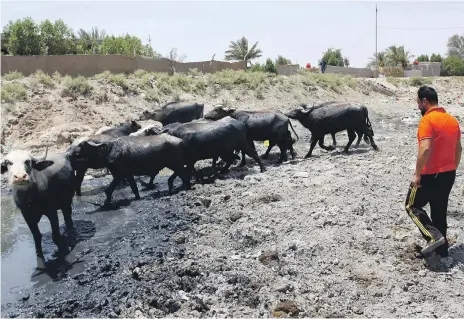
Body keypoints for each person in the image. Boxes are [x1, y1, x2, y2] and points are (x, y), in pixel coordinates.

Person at [405, 86, 462, 257]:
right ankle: (442, 250)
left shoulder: (427, 120)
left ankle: (433, 236)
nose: (418, 107)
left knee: (411, 205)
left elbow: (425, 148)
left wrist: (417, 173)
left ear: (424, 101)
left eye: (418, 103)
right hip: (448, 173)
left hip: (430, 175)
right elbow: (458, 149)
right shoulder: (452, 120)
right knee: (439, 210)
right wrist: (452, 167)